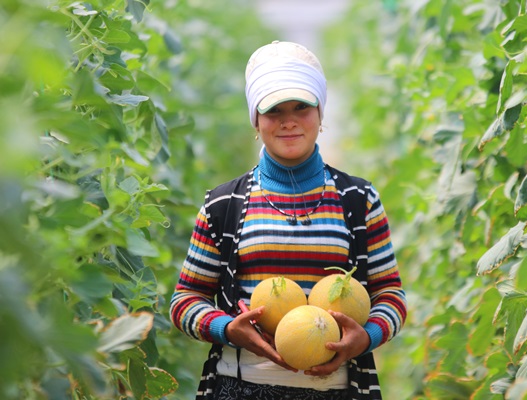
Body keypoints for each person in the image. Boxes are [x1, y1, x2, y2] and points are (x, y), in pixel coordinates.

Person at [170, 40, 407, 400]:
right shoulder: (224, 204)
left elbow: (391, 295)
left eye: (302, 107)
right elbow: (185, 299)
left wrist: (367, 337)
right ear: (256, 119)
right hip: (240, 388)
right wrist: (226, 329)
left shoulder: (358, 200)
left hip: (339, 390)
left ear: (321, 114)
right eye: (274, 110)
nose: (289, 121)